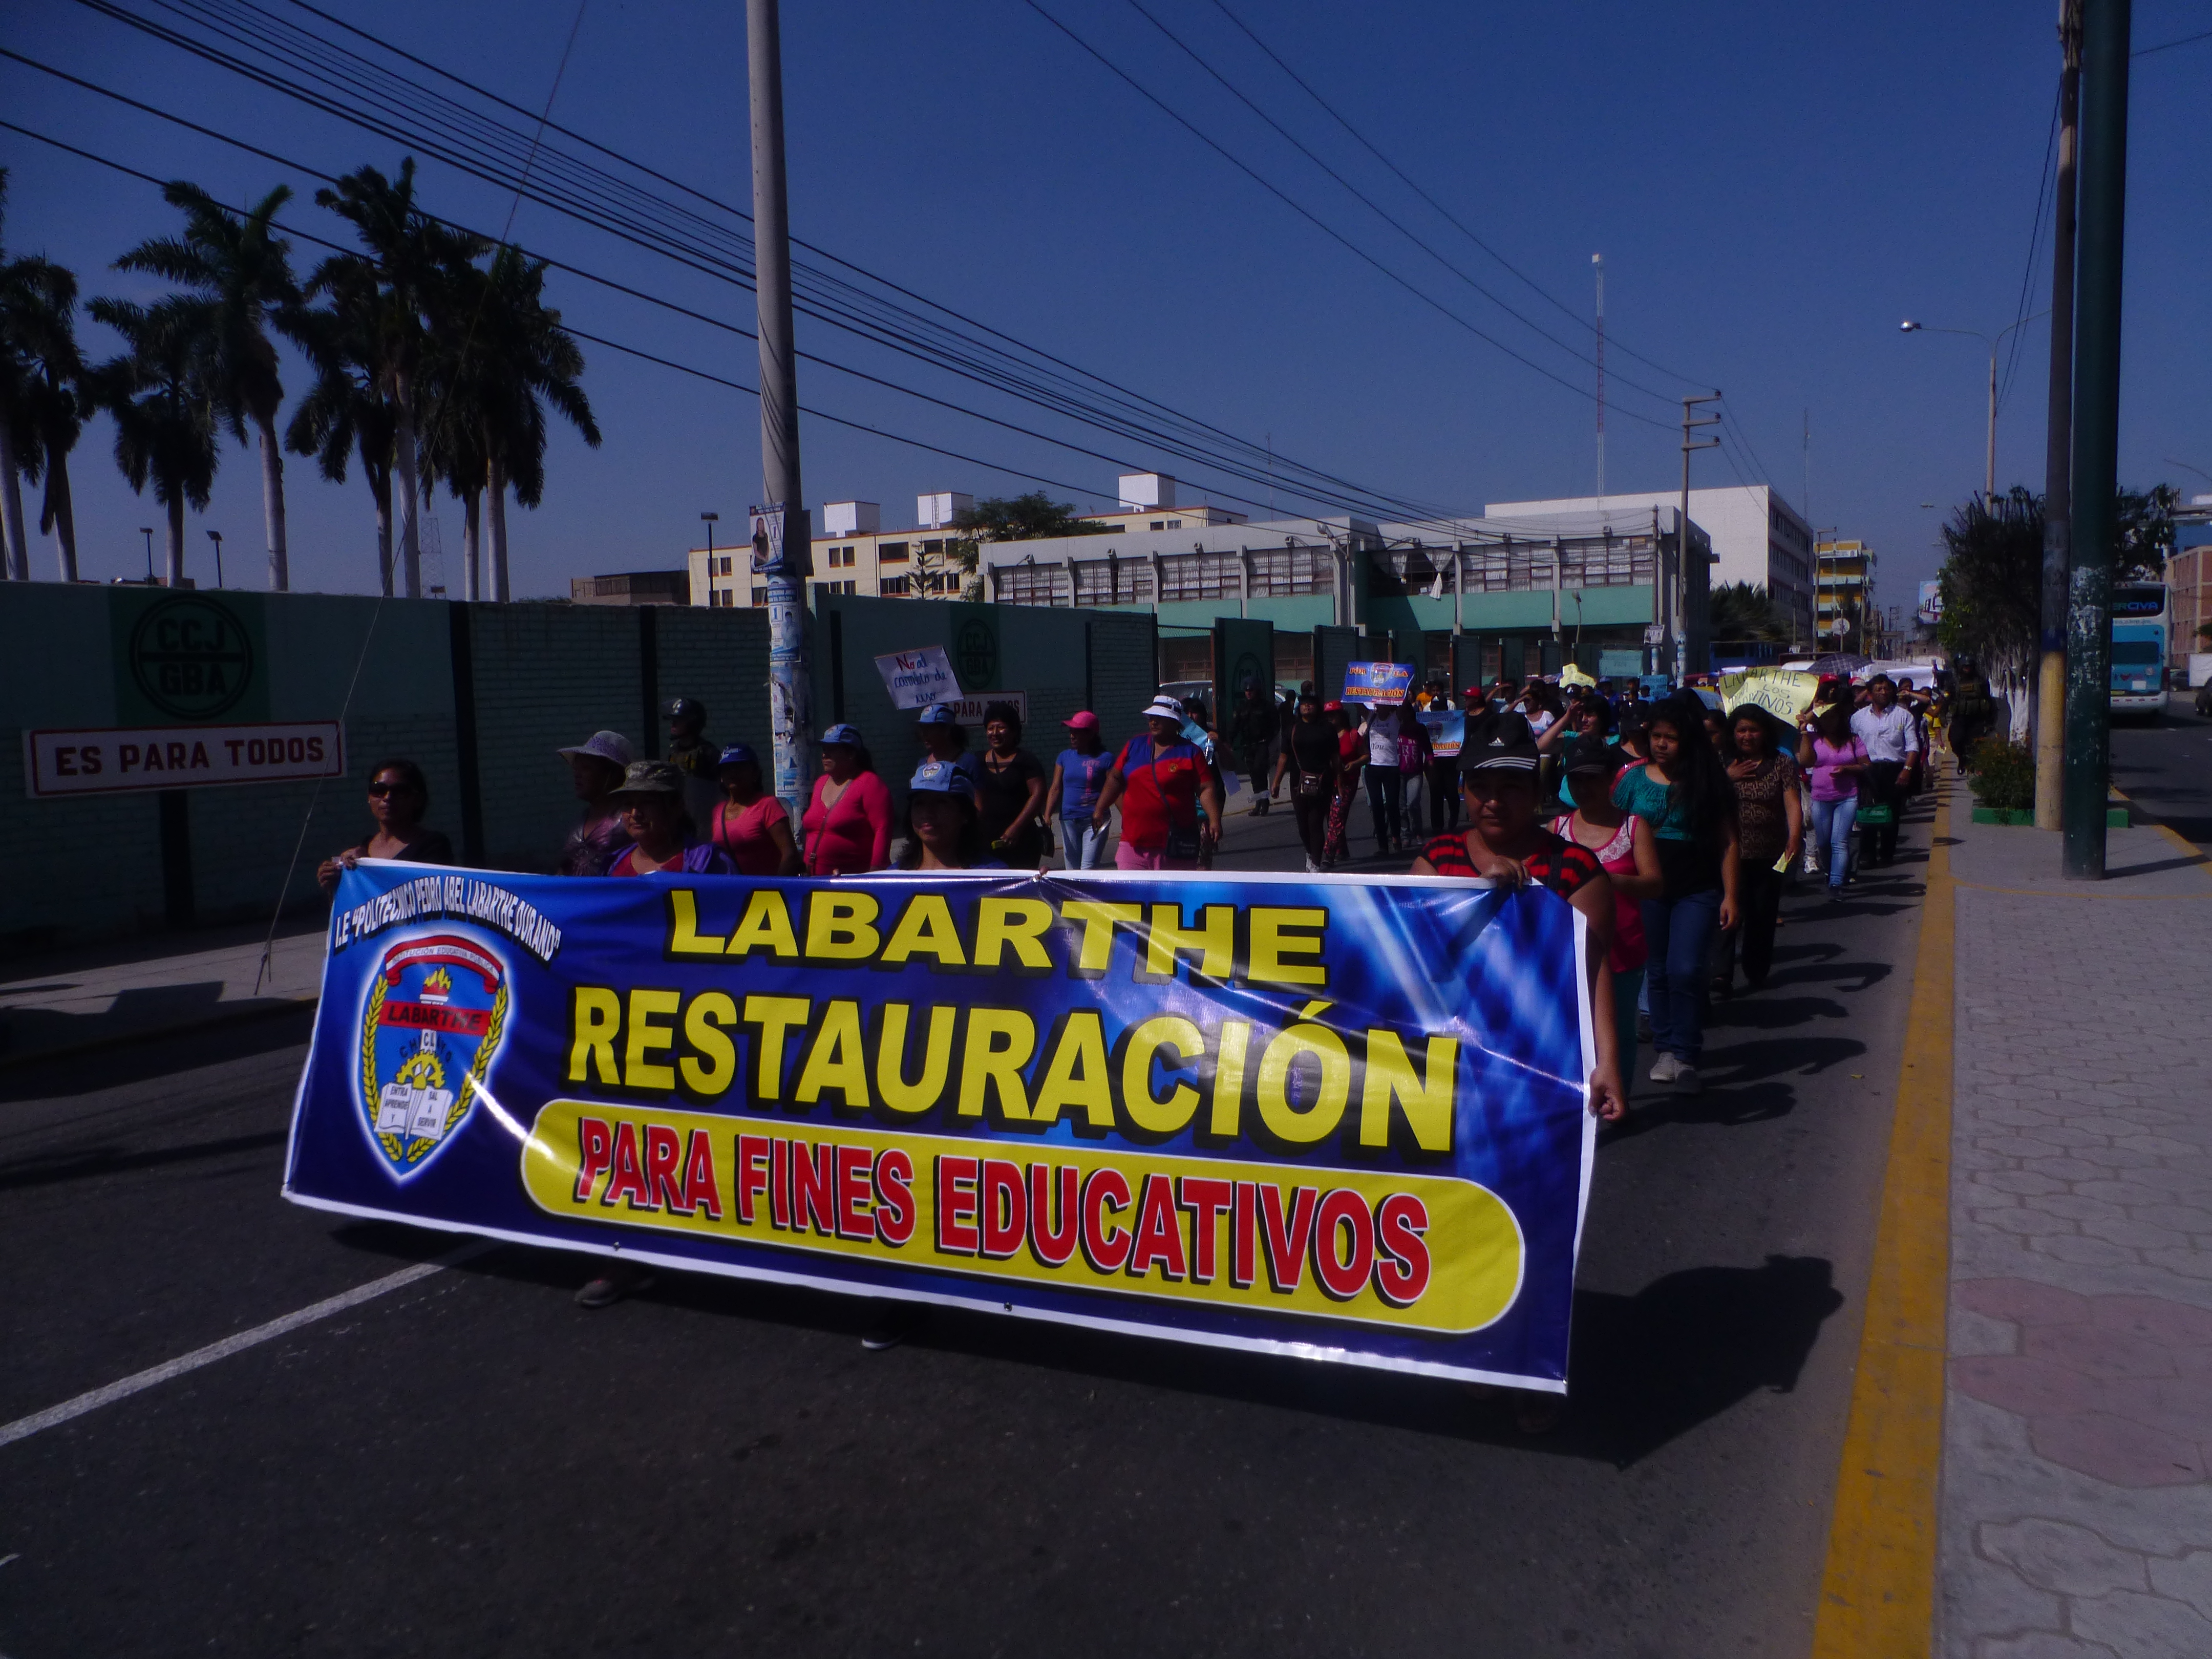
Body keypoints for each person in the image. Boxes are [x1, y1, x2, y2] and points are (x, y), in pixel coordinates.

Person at [1410, 718, 1628, 1126]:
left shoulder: (1576, 869)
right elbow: (1408, 949)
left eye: (1509, 786)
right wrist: (1474, 892)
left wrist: (1608, 1064)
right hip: (1440, 1060)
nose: (1493, 801)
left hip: (1536, 1064)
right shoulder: (1436, 860)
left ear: (1535, 793)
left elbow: (1594, 974)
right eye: (1480, 788)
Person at [1611, 695, 1740, 1094]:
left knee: (1686, 969)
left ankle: (1686, 1056)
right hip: (1648, 891)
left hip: (1697, 890)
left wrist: (1731, 895)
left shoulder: (1708, 782)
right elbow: (1614, 831)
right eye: (1657, 736)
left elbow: (1729, 844)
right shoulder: (1632, 780)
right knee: (1658, 970)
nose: (1662, 744)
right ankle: (1667, 1049)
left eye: (1671, 737)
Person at [1551, 733, 1660, 1087]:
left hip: (1623, 951)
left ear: (1611, 778)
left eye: (1593, 778)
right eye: (1576, 779)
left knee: (1619, 1033)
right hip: (1567, 954)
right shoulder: (1556, 830)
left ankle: (1619, 1096)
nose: (1584, 787)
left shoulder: (1634, 827)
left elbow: (1654, 884)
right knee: (1568, 1032)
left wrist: (1601, 882)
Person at [1713, 709, 1802, 994]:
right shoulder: (1721, 761)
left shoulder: (1781, 762)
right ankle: (1722, 973)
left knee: (1762, 913)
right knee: (1727, 912)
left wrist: (1795, 838)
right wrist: (1728, 778)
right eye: (1741, 730)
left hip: (1771, 852)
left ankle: (1756, 970)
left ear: (1764, 732)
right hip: (1728, 853)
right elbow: (1704, 797)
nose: (1747, 736)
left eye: (1753, 730)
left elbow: (1792, 803)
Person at [1090, 697, 1224, 870]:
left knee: (1170, 897)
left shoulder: (1191, 753)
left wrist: (1214, 819)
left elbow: (1206, 788)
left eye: (1160, 718)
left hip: (1175, 845)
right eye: (1152, 717)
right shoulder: (1134, 746)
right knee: (1133, 896)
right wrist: (1100, 808)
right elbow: (1115, 779)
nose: (1153, 722)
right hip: (1133, 844)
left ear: (1175, 722)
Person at [316, 758, 454, 892]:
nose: (387, 797)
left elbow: (429, 898)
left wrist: (367, 866)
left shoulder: (434, 845)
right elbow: (351, 910)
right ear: (369, 797)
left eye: (400, 791)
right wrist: (336, 884)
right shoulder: (365, 845)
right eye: (378, 790)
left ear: (418, 799)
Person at [605, 761, 739, 877]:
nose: (635, 813)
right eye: (628, 804)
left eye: (647, 802)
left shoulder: (709, 862)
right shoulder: (613, 865)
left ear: (677, 807)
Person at [1798, 700, 1868, 902]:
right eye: (1827, 718)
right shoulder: (1813, 739)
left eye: (1835, 718)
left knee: (1839, 841)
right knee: (1823, 842)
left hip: (1847, 797)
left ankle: (1836, 883)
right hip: (1820, 798)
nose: (1831, 723)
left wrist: (1847, 769)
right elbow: (1805, 761)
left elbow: (1866, 765)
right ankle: (1830, 872)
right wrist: (1806, 726)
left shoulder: (1853, 740)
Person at [1849, 674, 1920, 868]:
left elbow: (1913, 747)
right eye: (1878, 689)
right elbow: (1853, 745)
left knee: (1891, 813)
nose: (1883, 692)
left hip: (1894, 769)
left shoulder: (1904, 715)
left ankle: (1887, 853)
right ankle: (1867, 854)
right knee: (1868, 811)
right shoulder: (1858, 718)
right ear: (1870, 693)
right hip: (1867, 770)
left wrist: (1907, 770)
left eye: (1886, 688)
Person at [802, 724, 894, 875]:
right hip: (813, 880)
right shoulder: (820, 783)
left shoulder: (870, 784)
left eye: (832, 750)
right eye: (824, 750)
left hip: (850, 883)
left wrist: (875, 874)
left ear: (851, 754)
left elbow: (882, 829)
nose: (825, 755)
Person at [1269, 690, 1341, 871]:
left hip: (1322, 780)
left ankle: (1316, 863)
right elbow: (1284, 758)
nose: (1307, 707)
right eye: (1303, 704)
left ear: (1318, 707)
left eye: (1311, 704)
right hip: (1298, 782)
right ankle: (1309, 852)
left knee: (1316, 822)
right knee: (1302, 823)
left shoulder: (1327, 729)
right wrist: (1276, 782)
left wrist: (1339, 783)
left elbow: (1336, 758)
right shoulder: (1292, 729)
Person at [892, 758, 1005, 871]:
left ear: (965, 814)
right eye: (919, 803)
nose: (927, 812)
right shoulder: (892, 878)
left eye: (941, 802)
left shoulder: (993, 877)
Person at [974, 701, 1049, 869]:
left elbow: (1038, 794)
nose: (995, 733)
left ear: (1014, 731)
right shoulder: (977, 761)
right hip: (985, 844)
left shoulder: (1026, 761)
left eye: (1001, 728)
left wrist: (1016, 828)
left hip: (1021, 842)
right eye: (990, 728)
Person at [709, 742, 800, 877]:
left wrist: (773, 890)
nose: (733, 773)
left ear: (755, 773)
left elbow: (790, 855)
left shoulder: (768, 805)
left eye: (740, 768)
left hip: (764, 892)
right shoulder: (718, 810)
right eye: (727, 769)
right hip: (730, 891)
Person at [555, 730, 633, 877]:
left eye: (586, 768)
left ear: (613, 774)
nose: (577, 775)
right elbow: (566, 867)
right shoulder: (582, 819)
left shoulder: (631, 820)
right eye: (576, 768)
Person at [1046, 711, 1113, 870]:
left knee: (1087, 869)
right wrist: (1047, 816)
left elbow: (1113, 789)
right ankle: (1074, 897)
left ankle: (1088, 896)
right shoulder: (1064, 757)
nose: (1072, 736)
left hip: (1095, 820)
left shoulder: (1106, 758)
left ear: (1091, 735)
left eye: (1077, 732)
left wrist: (1126, 819)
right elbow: (1056, 788)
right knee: (1072, 870)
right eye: (1071, 732)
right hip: (1069, 820)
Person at [662, 696, 722, 832]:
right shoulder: (672, 752)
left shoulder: (708, 752)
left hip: (703, 819)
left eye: (678, 721)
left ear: (693, 722)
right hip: (678, 816)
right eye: (673, 721)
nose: (673, 725)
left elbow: (720, 791)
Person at [1360, 700, 1407, 855]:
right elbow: (1358, 705)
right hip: (1373, 767)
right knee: (1377, 806)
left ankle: (1396, 837)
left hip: (1391, 767)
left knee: (1392, 805)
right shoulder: (1371, 717)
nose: (1380, 707)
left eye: (1383, 704)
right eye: (1378, 705)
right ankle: (1382, 844)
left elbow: (1404, 704)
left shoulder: (1395, 718)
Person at [1229, 678, 1280, 815]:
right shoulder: (1242, 708)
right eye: (1246, 691)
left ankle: (1264, 802)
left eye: (1251, 690)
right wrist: (1228, 742)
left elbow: (1276, 726)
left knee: (1260, 771)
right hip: (1248, 745)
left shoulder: (1267, 707)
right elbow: (1235, 727)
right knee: (1253, 774)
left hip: (1263, 744)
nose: (1249, 693)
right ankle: (1258, 803)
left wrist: (1270, 742)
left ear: (1257, 691)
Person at [1325, 700, 1360, 865]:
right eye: (1328, 716)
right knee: (1333, 816)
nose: (1331, 719)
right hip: (1327, 782)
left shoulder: (1353, 735)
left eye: (1334, 715)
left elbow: (1366, 756)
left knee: (1337, 817)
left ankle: (1328, 854)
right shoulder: (1325, 736)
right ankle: (1341, 849)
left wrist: (1354, 764)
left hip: (1348, 783)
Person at [915, 704, 983, 790]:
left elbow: (978, 800)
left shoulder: (969, 763)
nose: (924, 735)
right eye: (922, 729)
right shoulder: (922, 765)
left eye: (930, 729)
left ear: (946, 730)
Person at [1396, 703, 1433, 843]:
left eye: (1401, 711)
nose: (1398, 714)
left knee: (1413, 803)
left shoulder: (1419, 728)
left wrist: (1430, 762)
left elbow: (1427, 748)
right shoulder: (1396, 728)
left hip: (1415, 771)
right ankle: (1406, 834)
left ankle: (1418, 831)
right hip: (1398, 772)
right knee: (1402, 807)